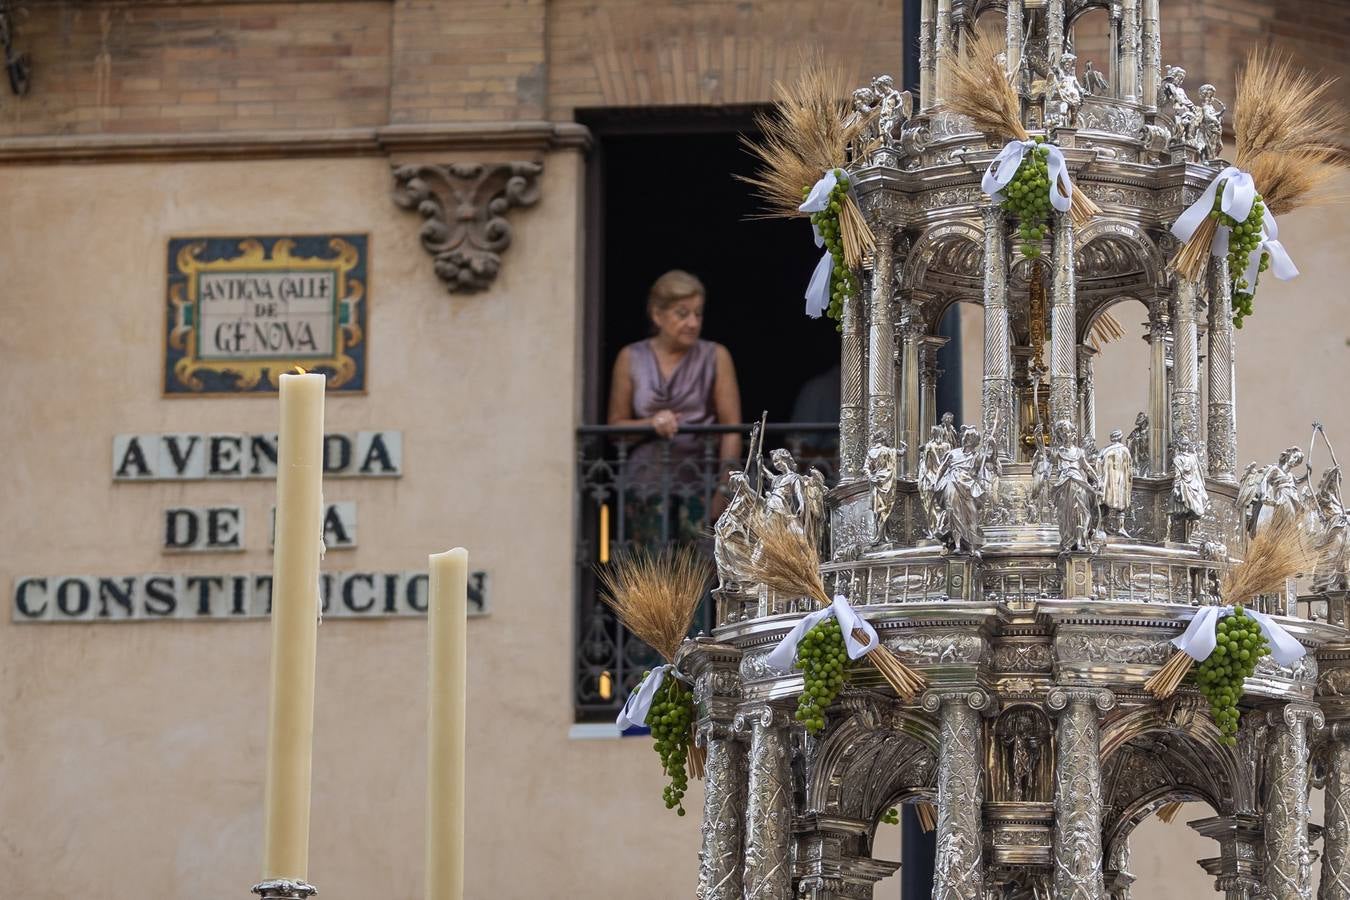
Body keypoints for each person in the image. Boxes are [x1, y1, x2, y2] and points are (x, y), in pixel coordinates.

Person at [607, 270, 742, 543]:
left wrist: (724, 490)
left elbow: (732, 429)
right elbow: (614, 427)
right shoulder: (630, 357)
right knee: (649, 577)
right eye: (683, 314)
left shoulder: (715, 356)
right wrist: (652, 424)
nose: (693, 322)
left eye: (698, 313)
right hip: (645, 486)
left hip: (699, 485)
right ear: (658, 315)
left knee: (699, 576)